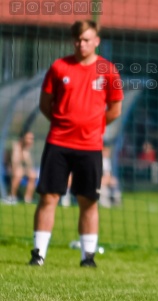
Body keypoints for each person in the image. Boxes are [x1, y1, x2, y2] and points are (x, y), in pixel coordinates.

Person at [30, 20, 123, 267]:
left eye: (87, 39)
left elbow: (115, 109)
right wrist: (64, 124)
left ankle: (88, 257)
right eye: (78, 40)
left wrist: (93, 126)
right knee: (48, 197)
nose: (82, 44)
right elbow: (45, 104)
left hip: (90, 146)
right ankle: (38, 255)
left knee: (88, 200)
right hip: (58, 143)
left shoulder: (108, 70)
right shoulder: (59, 67)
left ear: (96, 41)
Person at [4, 131, 37, 205]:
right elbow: (14, 162)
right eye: (29, 138)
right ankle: (12, 196)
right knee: (18, 173)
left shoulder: (26, 149)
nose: (31, 141)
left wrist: (27, 170)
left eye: (32, 139)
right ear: (23, 138)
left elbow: (29, 165)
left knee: (33, 175)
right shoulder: (15, 146)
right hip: (9, 169)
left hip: (21, 169)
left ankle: (27, 199)